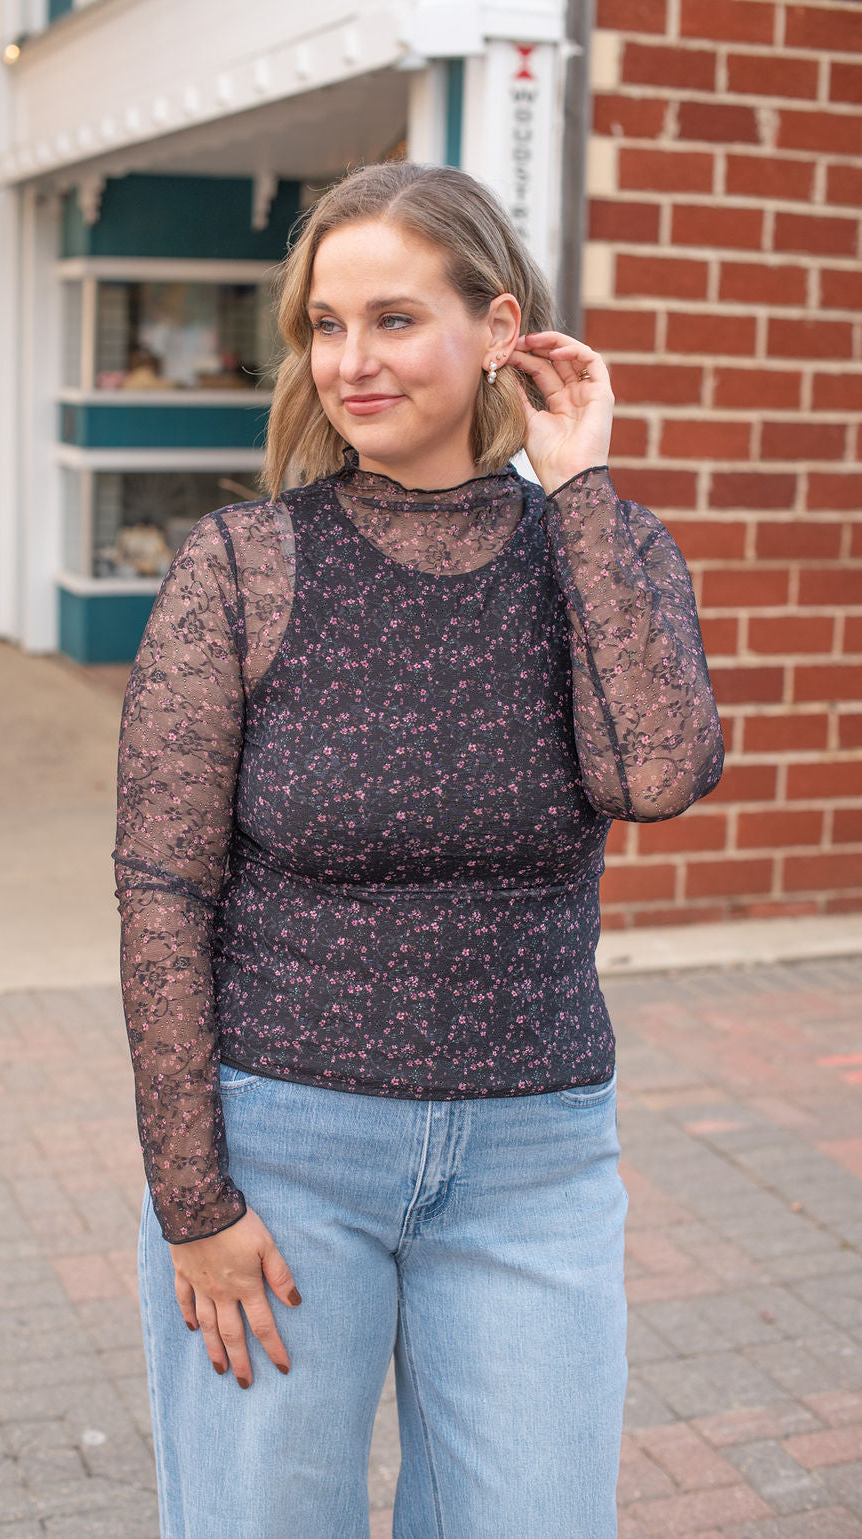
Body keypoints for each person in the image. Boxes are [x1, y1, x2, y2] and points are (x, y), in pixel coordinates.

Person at [113, 159, 723, 1539]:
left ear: (499, 326)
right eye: (325, 326)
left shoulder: (607, 550)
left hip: (535, 1163)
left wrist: (576, 496)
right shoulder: (244, 566)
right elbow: (163, 893)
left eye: (392, 319)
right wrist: (190, 1197)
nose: (349, 360)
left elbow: (658, 772)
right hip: (283, 1153)